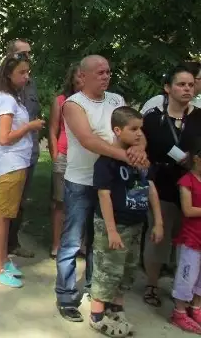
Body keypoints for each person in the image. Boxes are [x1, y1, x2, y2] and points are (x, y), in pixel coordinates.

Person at [55, 55, 148, 322]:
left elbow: (134, 129)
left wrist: (139, 147)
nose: (106, 76)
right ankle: (66, 296)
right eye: (100, 72)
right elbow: (88, 140)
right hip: (81, 182)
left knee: (102, 242)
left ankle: (98, 294)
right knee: (72, 242)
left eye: (108, 72)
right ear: (82, 77)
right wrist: (126, 157)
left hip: (111, 183)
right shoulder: (74, 104)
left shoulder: (117, 100)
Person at [90, 107, 163, 336]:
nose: (139, 134)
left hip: (136, 224)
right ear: (117, 130)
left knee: (127, 270)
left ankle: (117, 307)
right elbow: (104, 195)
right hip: (114, 225)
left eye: (141, 128)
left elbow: (150, 188)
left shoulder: (141, 161)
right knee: (107, 270)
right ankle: (97, 315)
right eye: (134, 129)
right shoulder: (106, 162)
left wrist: (158, 221)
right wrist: (111, 230)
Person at [142, 64, 201, 308]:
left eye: (190, 84)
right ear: (168, 88)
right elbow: (140, 148)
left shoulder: (199, 117)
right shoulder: (153, 118)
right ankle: (152, 285)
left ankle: (184, 289)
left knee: (189, 241)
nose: (187, 89)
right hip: (161, 184)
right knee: (159, 236)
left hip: (192, 187)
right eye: (181, 84)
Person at [0, 54, 45, 287]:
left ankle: (3, 259)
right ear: (9, 74)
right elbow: (4, 137)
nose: (26, 76)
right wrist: (30, 126)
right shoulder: (7, 101)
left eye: (28, 72)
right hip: (9, 164)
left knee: (7, 215)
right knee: (2, 216)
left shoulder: (12, 98)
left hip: (16, 163)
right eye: (22, 72)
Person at [48, 64, 84, 258]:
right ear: (72, 79)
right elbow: (53, 130)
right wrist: (55, 156)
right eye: (79, 76)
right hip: (64, 156)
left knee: (84, 202)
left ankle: (80, 243)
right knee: (60, 202)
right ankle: (56, 244)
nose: (83, 80)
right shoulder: (61, 101)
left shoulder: (94, 101)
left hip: (86, 158)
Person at [170, 139, 201, 332]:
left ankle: (196, 307)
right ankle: (179, 311)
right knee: (187, 275)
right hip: (191, 238)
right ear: (197, 159)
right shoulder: (187, 181)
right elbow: (188, 210)